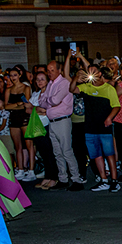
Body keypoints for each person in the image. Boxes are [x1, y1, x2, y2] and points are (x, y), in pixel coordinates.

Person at [71, 62, 122, 192]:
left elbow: (116, 106)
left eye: (94, 71)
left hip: (104, 126)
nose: (91, 74)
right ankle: (103, 180)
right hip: (90, 126)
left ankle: (114, 181)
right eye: (89, 72)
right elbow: (72, 90)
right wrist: (76, 78)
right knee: (96, 155)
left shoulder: (108, 88)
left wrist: (109, 118)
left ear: (99, 73)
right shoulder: (86, 87)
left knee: (109, 154)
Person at [43, 57, 84, 191]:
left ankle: (76, 179)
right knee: (57, 152)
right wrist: (49, 101)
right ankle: (63, 178)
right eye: (48, 71)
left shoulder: (64, 83)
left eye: (52, 70)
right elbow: (42, 101)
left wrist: (48, 101)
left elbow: (54, 100)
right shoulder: (50, 83)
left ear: (59, 70)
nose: (49, 73)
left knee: (66, 151)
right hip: (52, 121)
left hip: (62, 121)